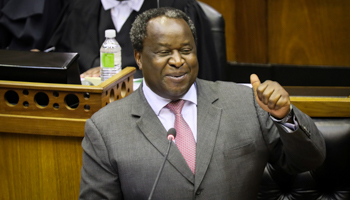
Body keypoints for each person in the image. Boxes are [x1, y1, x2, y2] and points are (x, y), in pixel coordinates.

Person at [79, 7, 326, 200]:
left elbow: (309, 161)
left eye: (186, 50)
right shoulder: (106, 128)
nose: (178, 61)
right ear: (139, 58)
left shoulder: (247, 103)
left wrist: (284, 117)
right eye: (164, 52)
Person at [46, 0, 221, 80]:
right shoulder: (77, 6)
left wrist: (119, 76)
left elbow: (198, 77)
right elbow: (61, 60)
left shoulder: (177, 7)